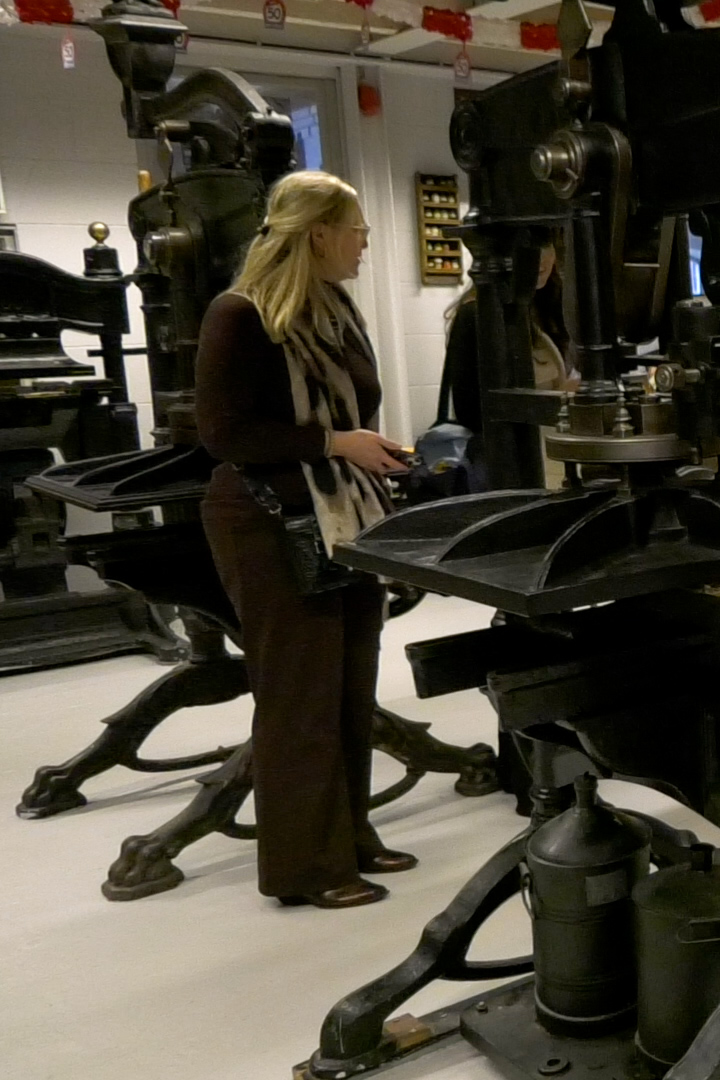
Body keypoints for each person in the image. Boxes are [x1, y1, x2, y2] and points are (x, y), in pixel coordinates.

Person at [197, 171, 413, 910]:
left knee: (351, 687)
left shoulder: (333, 310)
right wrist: (334, 442)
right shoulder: (240, 315)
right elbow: (223, 433)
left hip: (341, 519)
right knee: (299, 698)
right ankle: (302, 866)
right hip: (268, 522)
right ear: (317, 232)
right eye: (355, 229)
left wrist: (358, 448)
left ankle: (350, 835)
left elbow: (344, 421)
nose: (363, 244)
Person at [441, 235, 576, 488]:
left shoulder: (545, 307)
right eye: (526, 247)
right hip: (509, 466)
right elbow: (470, 410)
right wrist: (556, 398)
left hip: (553, 460)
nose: (541, 259)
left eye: (545, 246)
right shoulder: (476, 315)